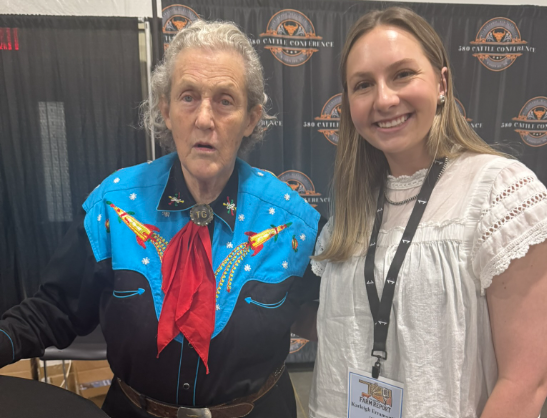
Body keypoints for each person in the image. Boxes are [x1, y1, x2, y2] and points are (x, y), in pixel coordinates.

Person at [0, 20, 320, 418]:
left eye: (225, 100)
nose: (204, 119)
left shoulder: (293, 223)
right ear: (166, 110)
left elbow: (339, 317)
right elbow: (56, 308)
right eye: (188, 97)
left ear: (251, 118)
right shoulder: (114, 206)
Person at [309, 7, 547, 418]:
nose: (384, 99)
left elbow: (526, 382)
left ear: (442, 83)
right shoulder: (351, 211)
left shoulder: (499, 193)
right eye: (363, 85)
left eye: (402, 74)